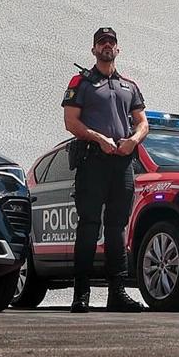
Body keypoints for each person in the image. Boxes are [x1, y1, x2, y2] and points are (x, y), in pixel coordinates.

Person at [60, 26, 148, 313]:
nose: (106, 47)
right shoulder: (81, 82)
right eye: (101, 43)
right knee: (88, 226)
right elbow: (71, 122)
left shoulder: (129, 86)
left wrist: (132, 141)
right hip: (92, 160)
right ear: (94, 50)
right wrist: (99, 138)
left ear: (117, 49)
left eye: (111, 42)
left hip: (122, 163)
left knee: (117, 228)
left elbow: (142, 122)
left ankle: (117, 293)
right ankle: (81, 294)